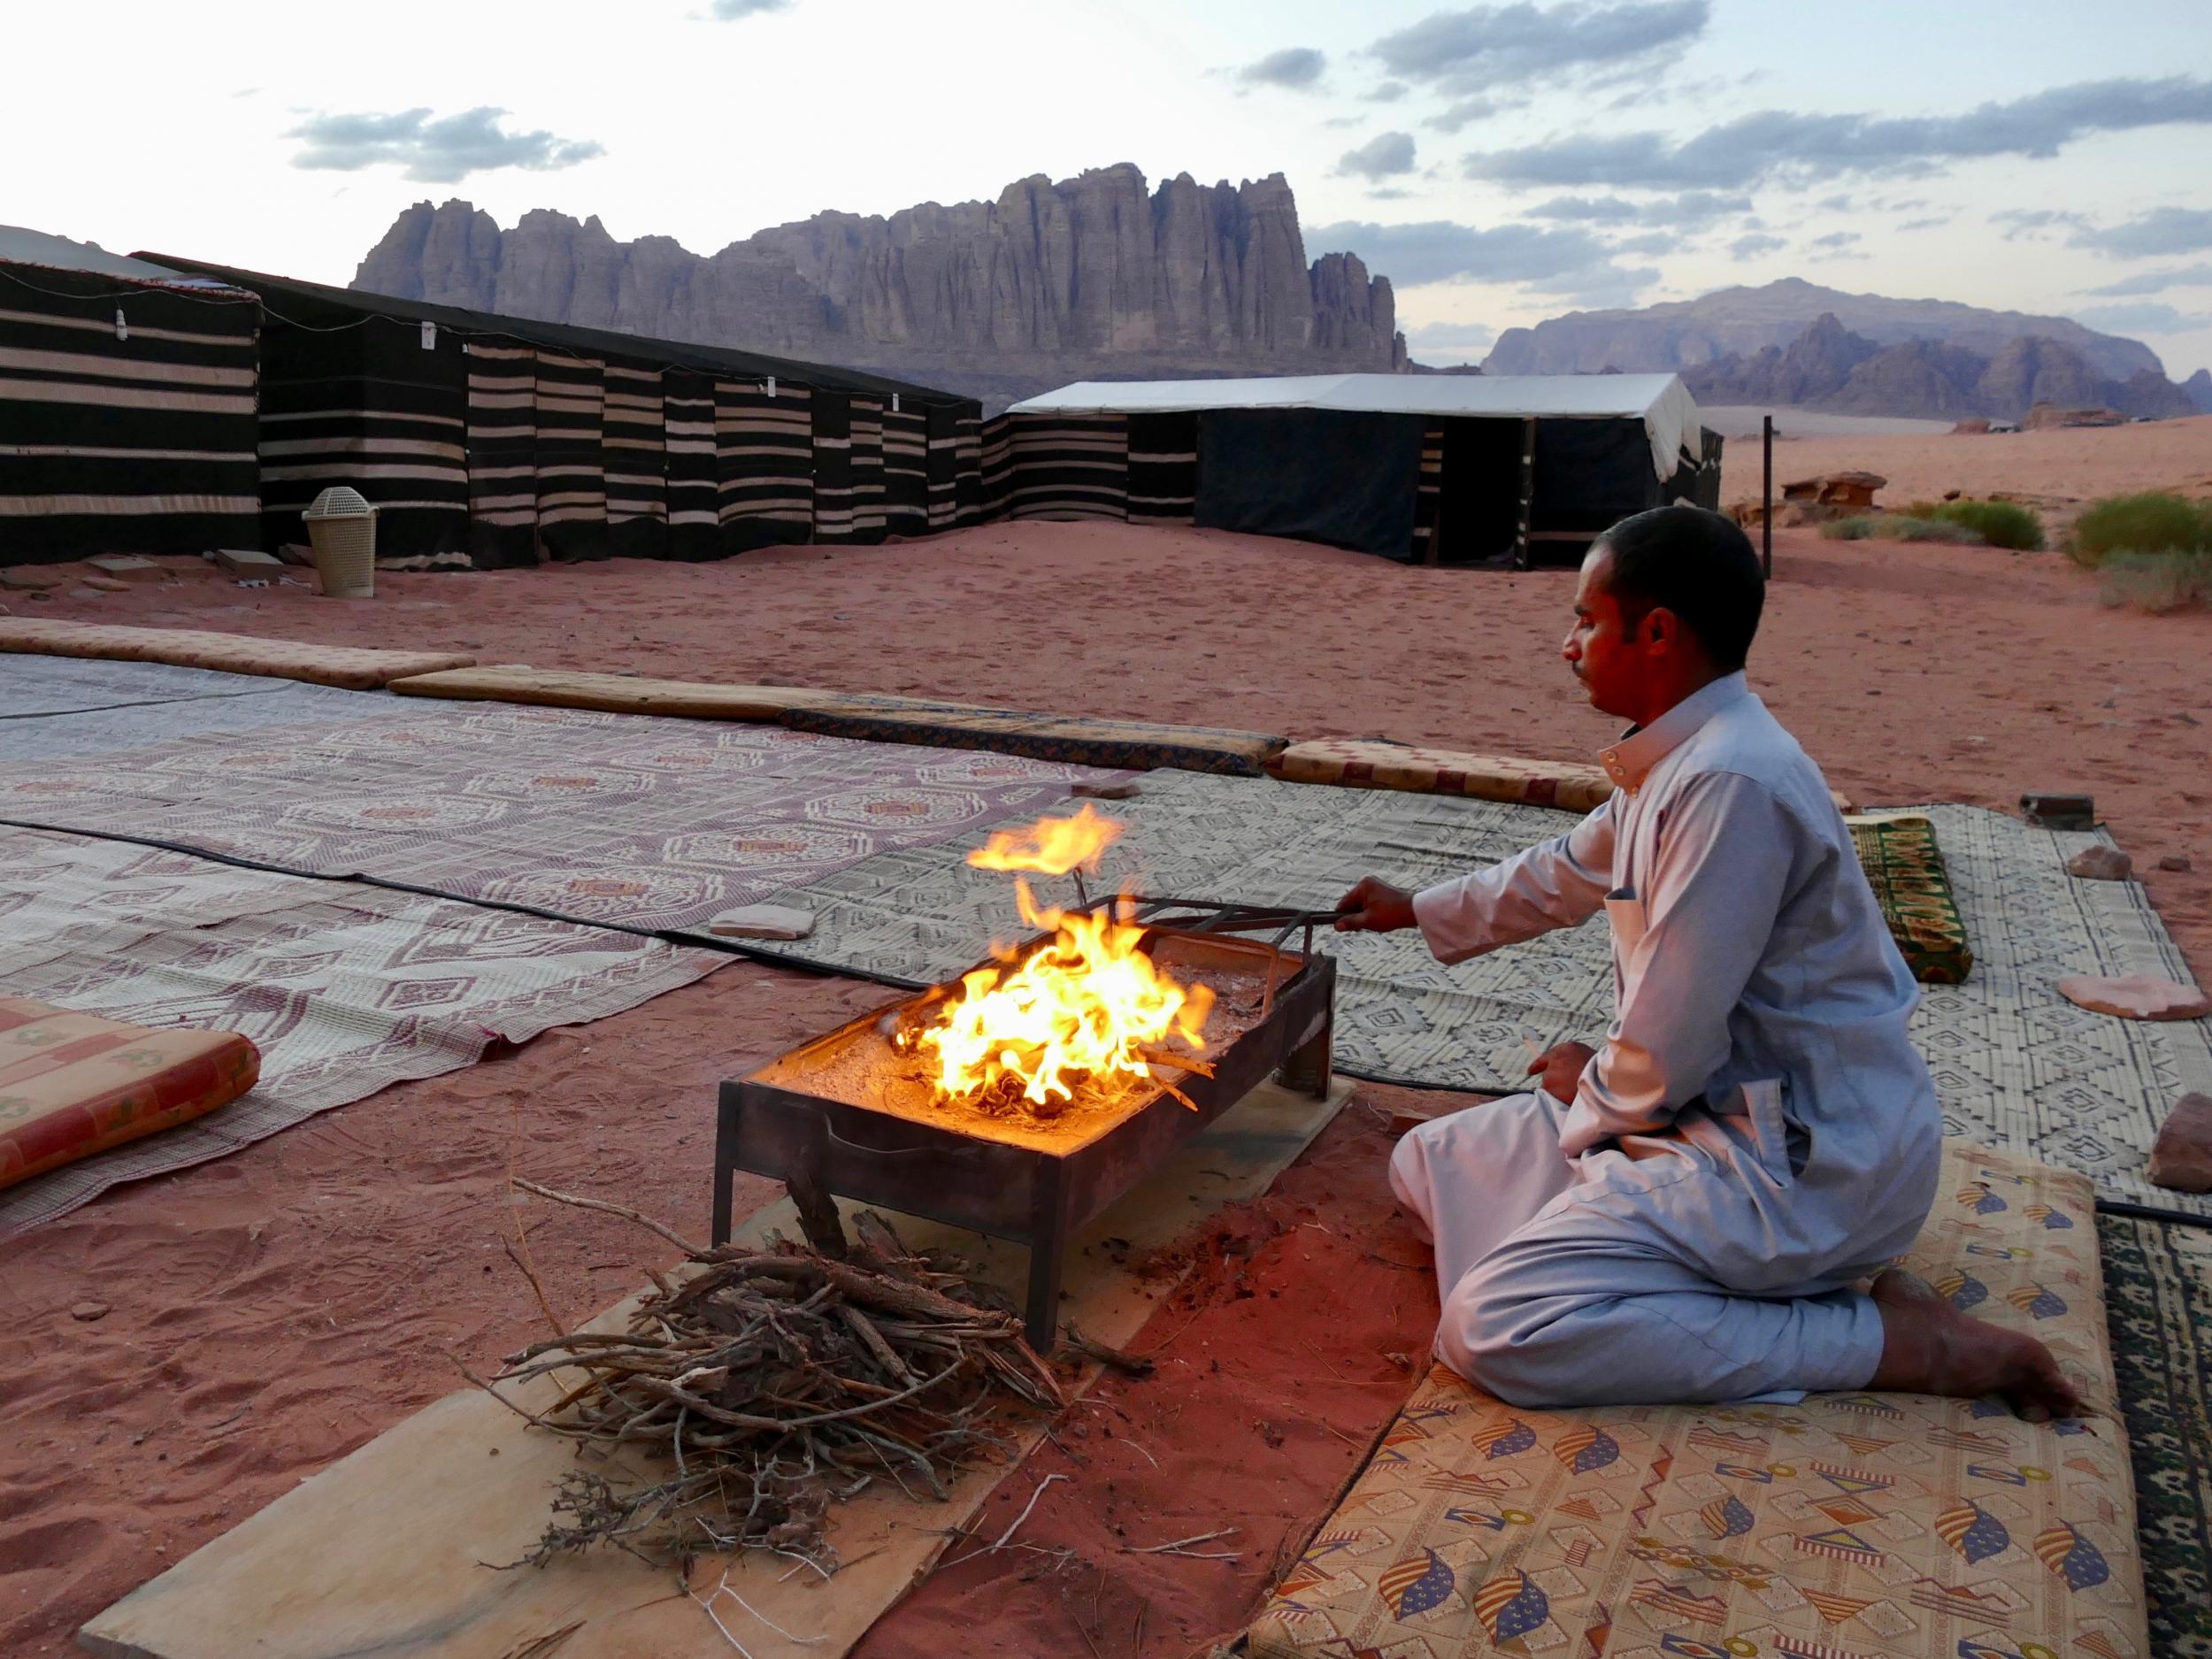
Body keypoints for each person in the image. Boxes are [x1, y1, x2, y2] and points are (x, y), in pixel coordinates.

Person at [1334, 504, 2078, 1417]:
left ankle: (1891, 1343)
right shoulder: (1686, 759)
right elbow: (1567, 871)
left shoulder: (1730, 781)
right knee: (1432, 1161)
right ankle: (1678, 1277)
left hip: (1794, 1166)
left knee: (1499, 1325)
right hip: (1708, 1120)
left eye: (1585, 620)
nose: (1569, 644)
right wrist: (1417, 909)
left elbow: (1667, 1042)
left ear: (1654, 632)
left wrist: (1598, 1104)